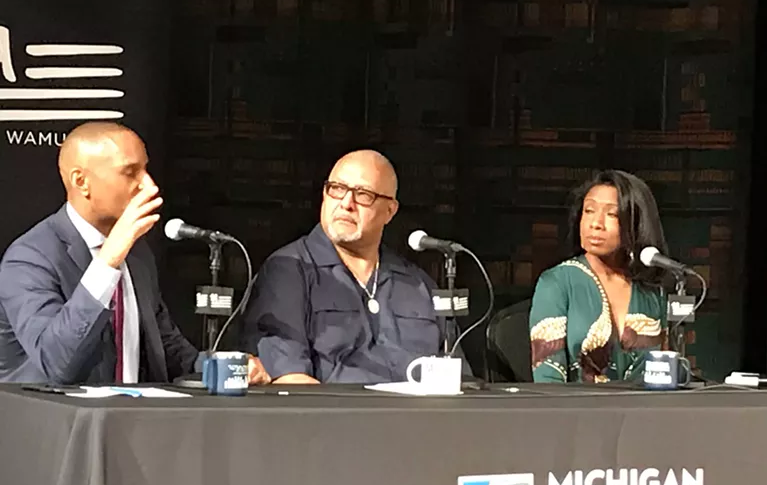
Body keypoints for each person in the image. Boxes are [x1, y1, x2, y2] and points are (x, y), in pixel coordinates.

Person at [0, 122, 269, 385]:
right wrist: (107, 262)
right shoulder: (29, 258)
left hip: (129, 421)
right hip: (62, 426)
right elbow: (57, 363)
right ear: (81, 181)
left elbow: (168, 350)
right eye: (130, 173)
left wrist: (224, 366)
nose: (149, 185)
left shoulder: (139, 254)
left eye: (146, 170)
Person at [242, 149, 460, 384]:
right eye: (337, 189)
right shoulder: (289, 271)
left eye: (363, 194)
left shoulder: (418, 284)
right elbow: (290, 379)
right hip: (335, 417)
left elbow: (457, 378)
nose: (346, 203)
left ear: (390, 211)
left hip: (424, 418)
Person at [529, 170, 669, 383]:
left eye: (611, 214)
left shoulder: (652, 290)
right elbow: (547, 379)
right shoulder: (557, 282)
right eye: (589, 211)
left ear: (635, 222)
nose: (595, 223)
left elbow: (668, 374)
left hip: (643, 412)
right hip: (576, 412)